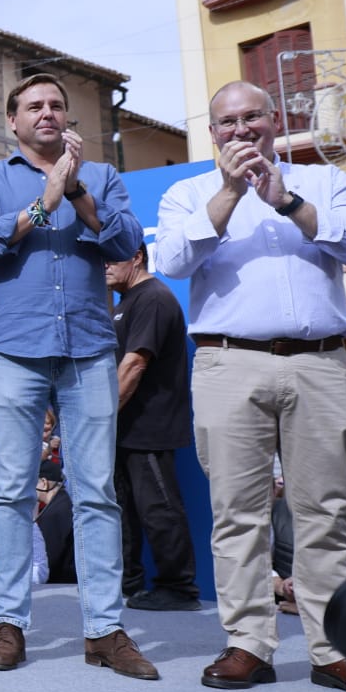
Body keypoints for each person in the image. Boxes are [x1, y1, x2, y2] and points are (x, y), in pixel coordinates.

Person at [157, 79, 346, 692]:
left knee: (326, 513)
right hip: (230, 364)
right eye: (227, 123)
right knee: (238, 515)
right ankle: (248, 644)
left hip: (319, 362)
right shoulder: (188, 192)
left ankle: (333, 651)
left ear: (272, 121)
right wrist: (232, 192)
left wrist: (289, 204)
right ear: (213, 134)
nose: (240, 131)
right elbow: (174, 262)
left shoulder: (322, 182)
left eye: (251, 118)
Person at [0, 73, 157, 679]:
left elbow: (126, 242)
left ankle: (104, 630)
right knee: (12, 489)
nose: (47, 112)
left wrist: (77, 196)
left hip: (90, 347)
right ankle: (10, 623)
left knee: (96, 490)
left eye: (57, 106)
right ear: (12, 122)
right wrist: (42, 202)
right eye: (34, 106)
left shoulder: (102, 177)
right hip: (14, 349)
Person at [104, 243, 200, 612]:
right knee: (121, 510)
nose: (105, 267)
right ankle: (128, 583)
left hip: (149, 426)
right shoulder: (125, 300)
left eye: (112, 259)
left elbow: (134, 365)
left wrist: (102, 417)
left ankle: (178, 587)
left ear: (138, 257)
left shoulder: (154, 298)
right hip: (124, 426)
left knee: (158, 508)